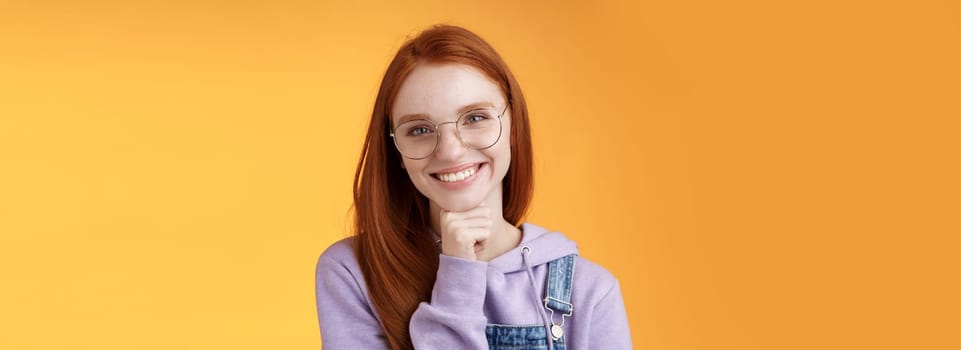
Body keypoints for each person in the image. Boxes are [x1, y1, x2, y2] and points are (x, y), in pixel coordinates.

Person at [315, 24, 632, 350]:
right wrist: (458, 276)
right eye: (420, 129)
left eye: (475, 118)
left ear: (513, 125)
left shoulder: (590, 291)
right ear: (395, 149)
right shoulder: (353, 272)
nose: (450, 151)